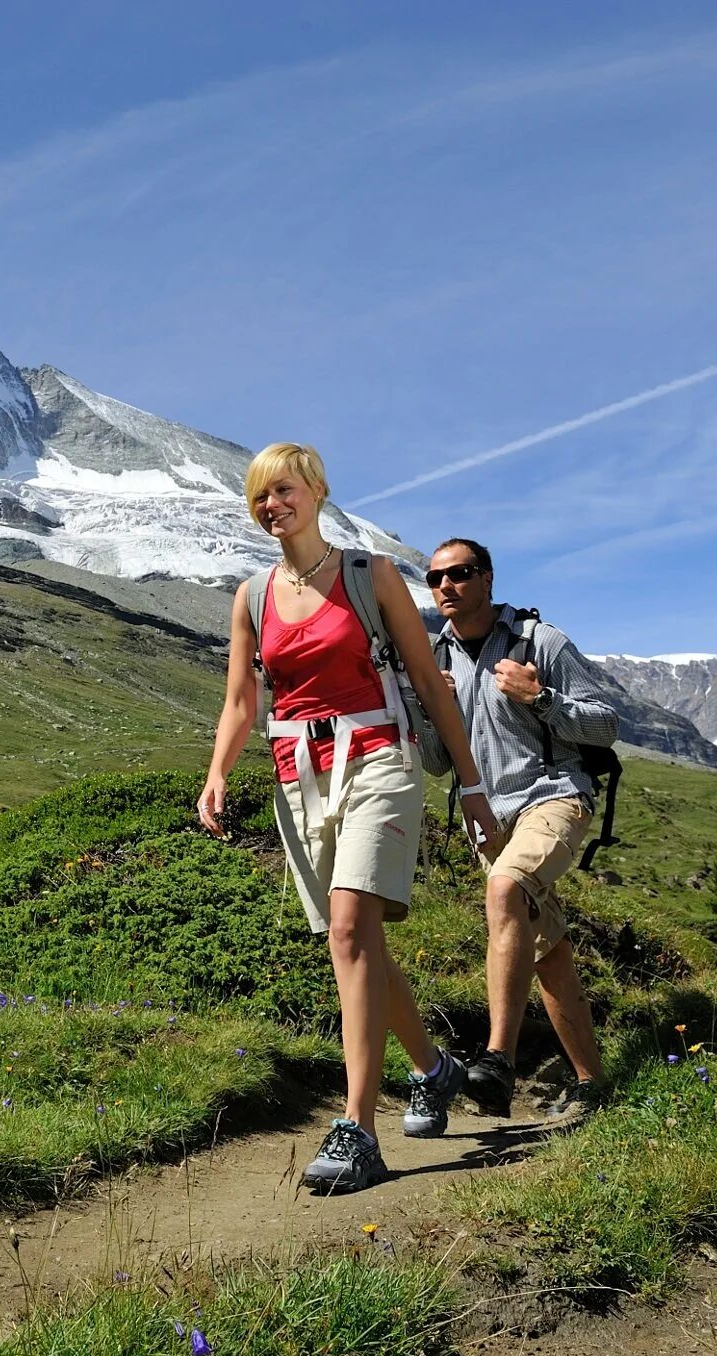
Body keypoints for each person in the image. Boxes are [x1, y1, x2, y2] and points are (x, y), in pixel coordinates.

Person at [197, 443, 501, 1194]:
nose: (274, 506)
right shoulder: (253, 597)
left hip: (379, 762)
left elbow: (431, 683)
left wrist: (469, 785)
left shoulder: (372, 577)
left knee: (346, 930)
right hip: (299, 777)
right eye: (262, 496)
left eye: (286, 490)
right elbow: (243, 702)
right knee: (357, 941)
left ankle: (358, 1130)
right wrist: (216, 775)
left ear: (319, 492)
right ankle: (434, 1069)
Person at [426, 536, 614, 1121]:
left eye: (458, 574)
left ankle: (497, 1060)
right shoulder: (436, 657)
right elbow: (437, 762)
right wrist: (436, 710)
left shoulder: (541, 641)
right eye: (434, 579)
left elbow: (605, 723)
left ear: (487, 578)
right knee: (546, 948)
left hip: (555, 798)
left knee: (506, 890)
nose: (445, 587)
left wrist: (542, 697)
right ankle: (592, 1083)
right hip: (488, 817)